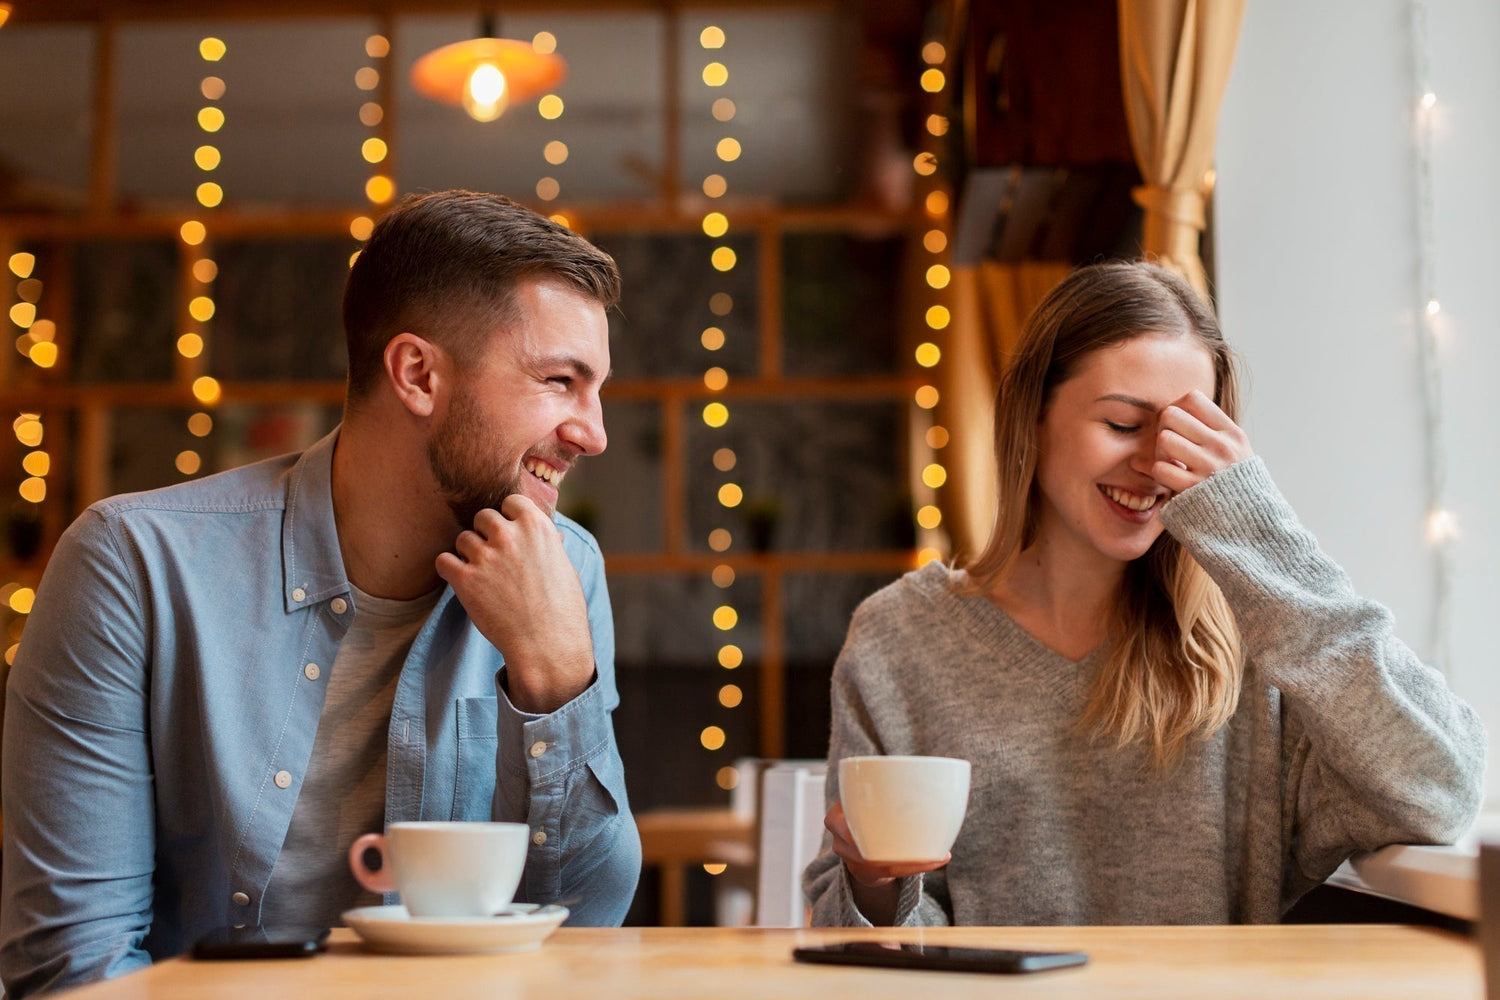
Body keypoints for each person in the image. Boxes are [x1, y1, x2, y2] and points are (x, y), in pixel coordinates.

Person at [1, 190, 642, 996]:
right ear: (417, 374)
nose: (594, 431)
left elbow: (585, 924)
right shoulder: (131, 565)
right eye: (560, 381)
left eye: (597, 389)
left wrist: (557, 683)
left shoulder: (565, 570)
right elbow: (72, 966)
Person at [803, 260, 1485, 927]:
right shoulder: (901, 640)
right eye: (1124, 425)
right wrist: (873, 888)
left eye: (1188, 437)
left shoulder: (1255, 649)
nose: (1157, 465)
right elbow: (859, 943)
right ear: (1031, 418)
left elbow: (1440, 788)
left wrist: (1257, 533)